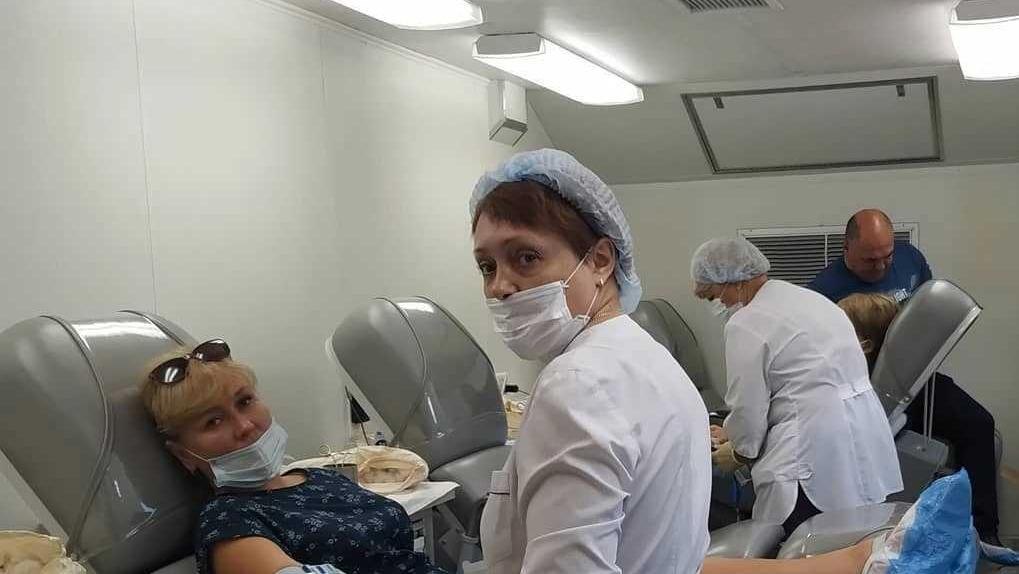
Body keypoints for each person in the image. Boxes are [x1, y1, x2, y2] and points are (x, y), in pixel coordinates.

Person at [470, 149, 712, 573]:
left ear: (600, 260)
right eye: (487, 267)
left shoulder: (577, 383)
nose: (499, 286)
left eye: (526, 257)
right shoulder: (645, 354)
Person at [139, 339, 449, 574]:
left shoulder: (321, 477)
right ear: (184, 455)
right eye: (213, 421)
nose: (245, 426)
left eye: (245, 401)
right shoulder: (228, 522)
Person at [691, 238, 902, 536]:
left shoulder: (746, 322)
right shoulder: (809, 300)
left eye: (714, 296)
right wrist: (731, 430)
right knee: (854, 542)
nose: (718, 305)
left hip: (810, 452)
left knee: (805, 548)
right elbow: (799, 383)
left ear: (732, 281)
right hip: (861, 436)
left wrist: (737, 451)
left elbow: (749, 408)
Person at [838, 292, 1001, 545]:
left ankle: (983, 529)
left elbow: (979, 422)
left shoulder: (898, 386)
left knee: (979, 424)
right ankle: (984, 529)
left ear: (865, 345)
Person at [808, 209, 931, 304]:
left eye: (888, 256)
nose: (880, 267)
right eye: (870, 260)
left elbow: (929, 304)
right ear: (846, 246)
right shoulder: (821, 293)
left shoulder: (910, 258)